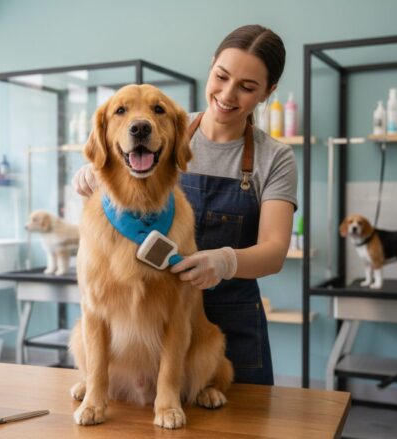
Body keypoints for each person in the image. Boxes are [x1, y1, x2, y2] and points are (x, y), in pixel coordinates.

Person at [73, 25, 296, 385]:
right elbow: (114, 151)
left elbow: (274, 251)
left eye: (247, 87)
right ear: (211, 66)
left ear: (268, 92)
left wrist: (225, 261)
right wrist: (95, 169)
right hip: (158, 319)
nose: (227, 94)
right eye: (221, 76)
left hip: (233, 320)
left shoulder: (275, 157)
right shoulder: (165, 126)